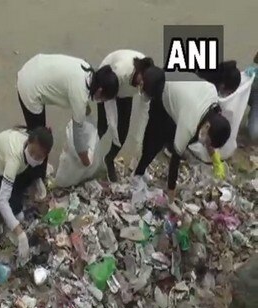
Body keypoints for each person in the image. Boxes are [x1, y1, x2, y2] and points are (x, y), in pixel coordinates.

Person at [17, 54, 118, 166]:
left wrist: (87, 112)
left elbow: (82, 98)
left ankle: (34, 167)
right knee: (40, 141)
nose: (103, 101)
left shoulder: (87, 70)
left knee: (40, 134)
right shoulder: (79, 95)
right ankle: (32, 173)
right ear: (99, 91)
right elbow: (78, 139)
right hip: (30, 87)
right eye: (104, 98)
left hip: (35, 66)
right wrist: (87, 163)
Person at [134, 81, 231, 198]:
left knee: (170, 137)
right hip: (163, 96)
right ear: (207, 126)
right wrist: (171, 194)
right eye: (207, 142)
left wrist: (216, 161)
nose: (205, 145)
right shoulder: (189, 125)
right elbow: (175, 159)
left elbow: (212, 135)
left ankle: (143, 167)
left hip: (182, 100)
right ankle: (138, 174)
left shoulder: (214, 105)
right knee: (155, 142)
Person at [96, 51, 166, 181]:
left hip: (125, 91)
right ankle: (90, 154)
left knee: (123, 131)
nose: (140, 89)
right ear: (140, 73)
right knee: (103, 126)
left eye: (143, 88)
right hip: (108, 82)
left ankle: (109, 159)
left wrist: (138, 144)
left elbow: (143, 113)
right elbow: (109, 107)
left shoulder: (148, 83)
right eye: (140, 84)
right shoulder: (121, 71)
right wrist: (112, 126)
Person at [0, 127, 53, 261]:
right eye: (33, 153)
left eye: (39, 157)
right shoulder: (14, 158)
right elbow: (3, 201)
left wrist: (38, 182)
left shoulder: (30, 143)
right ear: (28, 142)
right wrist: (19, 233)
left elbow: (36, 162)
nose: (35, 158)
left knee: (32, 175)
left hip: (13, 168)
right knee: (17, 214)